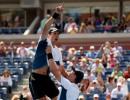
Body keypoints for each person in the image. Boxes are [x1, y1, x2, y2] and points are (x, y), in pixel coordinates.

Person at [29, 5, 63, 100]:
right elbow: (46, 27)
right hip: (36, 77)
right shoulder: (43, 41)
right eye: (54, 33)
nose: (56, 35)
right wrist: (56, 14)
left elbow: (58, 68)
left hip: (46, 77)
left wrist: (67, 80)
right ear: (48, 35)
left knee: (55, 96)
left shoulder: (56, 51)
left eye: (57, 34)